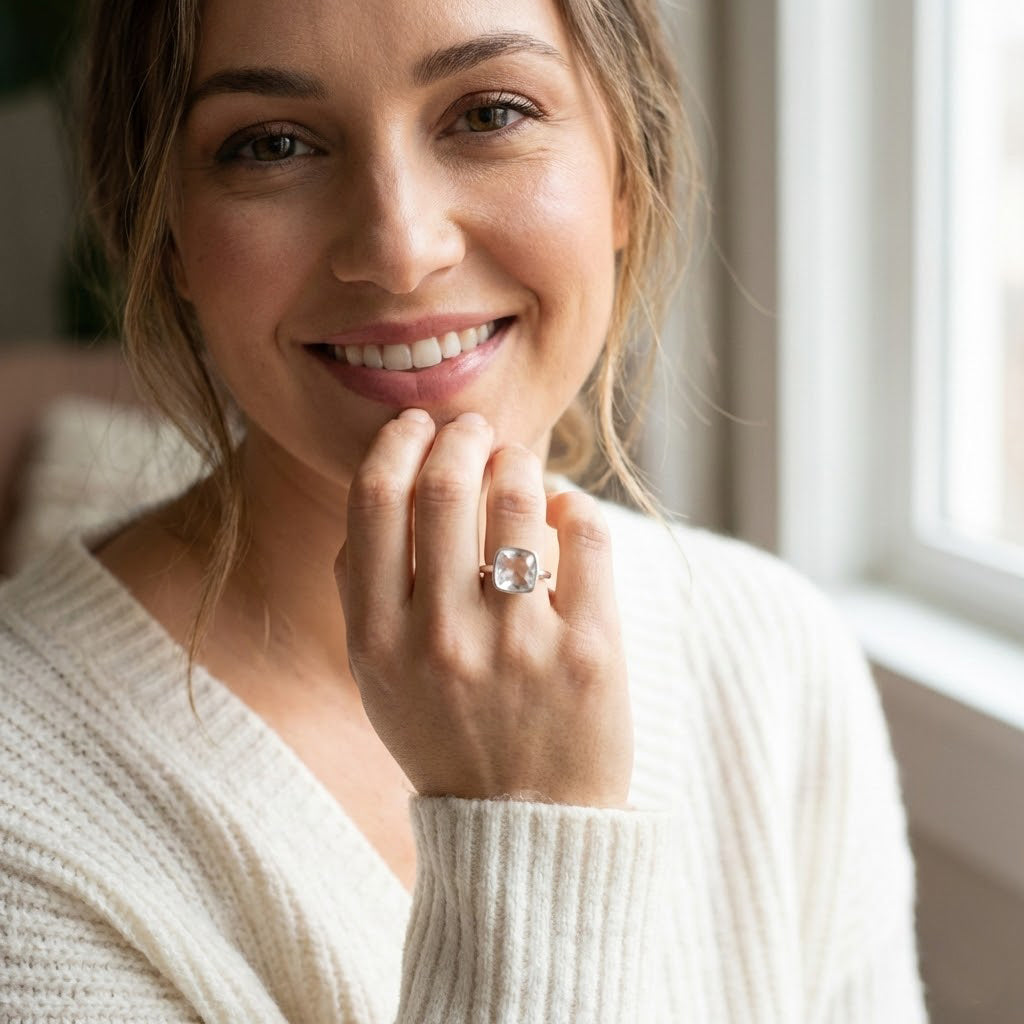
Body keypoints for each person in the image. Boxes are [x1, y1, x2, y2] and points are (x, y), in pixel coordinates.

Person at [0, 0, 928, 1020]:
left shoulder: (772, 652)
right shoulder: (25, 806)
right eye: (272, 145)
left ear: (624, 171)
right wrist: (522, 817)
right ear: (166, 232)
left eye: (487, 113)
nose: (399, 249)